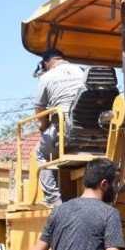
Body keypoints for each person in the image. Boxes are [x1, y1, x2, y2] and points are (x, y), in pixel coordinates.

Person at [34, 48, 89, 207]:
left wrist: (43, 126)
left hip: (66, 132)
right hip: (94, 129)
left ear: (46, 63)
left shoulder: (46, 77)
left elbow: (40, 111)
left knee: (41, 153)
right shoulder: (82, 71)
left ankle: (53, 199)